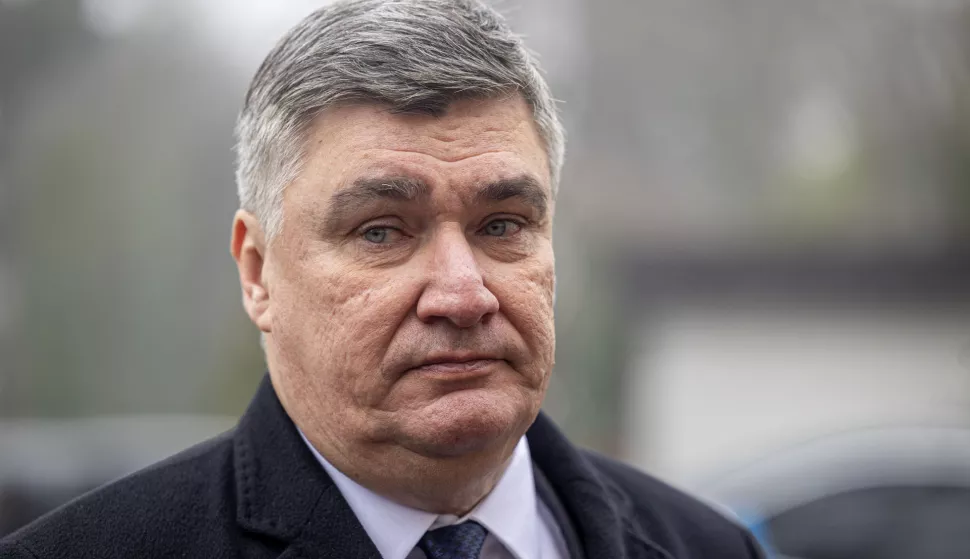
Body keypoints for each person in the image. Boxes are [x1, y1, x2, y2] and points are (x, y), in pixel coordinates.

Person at [0, 1, 765, 557]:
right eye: (381, 231)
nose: (463, 294)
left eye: (502, 225)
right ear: (258, 271)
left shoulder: (708, 545)